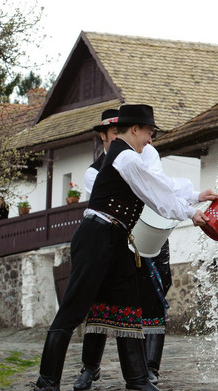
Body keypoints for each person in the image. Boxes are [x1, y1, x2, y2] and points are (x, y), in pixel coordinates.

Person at [32, 104, 217, 391]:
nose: (151, 139)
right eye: (149, 132)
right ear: (134, 129)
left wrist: (194, 195)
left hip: (117, 238)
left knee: (129, 305)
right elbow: (155, 193)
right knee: (73, 308)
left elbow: (159, 183)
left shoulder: (129, 156)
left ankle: (138, 380)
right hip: (96, 237)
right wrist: (191, 213)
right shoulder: (127, 158)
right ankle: (46, 382)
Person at [73, 109, 187, 389]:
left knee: (151, 296)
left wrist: (190, 198)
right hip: (116, 238)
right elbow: (140, 191)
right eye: (113, 132)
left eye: (120, 131)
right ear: (105, 135)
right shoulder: (94, 171)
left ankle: (149, 368)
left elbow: (159, 185)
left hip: (149, 233)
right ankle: (90, 367)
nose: (118, 137)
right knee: (101, 301)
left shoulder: (146, 152)